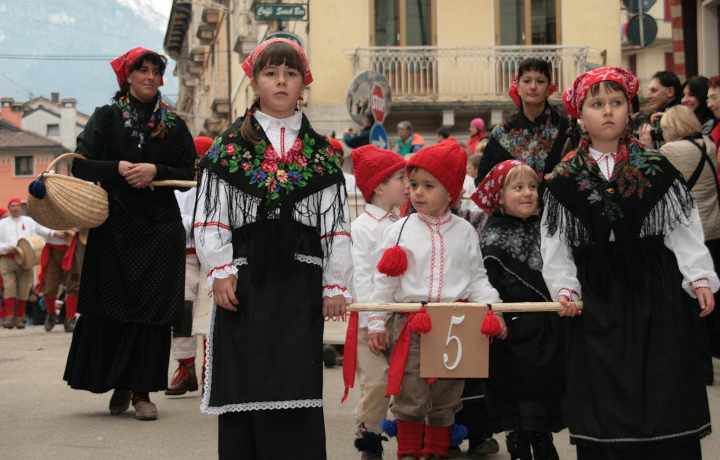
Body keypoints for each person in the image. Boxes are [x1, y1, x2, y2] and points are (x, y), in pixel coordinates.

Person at [542, 66, 717, 459]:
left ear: (629, 110)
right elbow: (555, 245)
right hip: (598, 298)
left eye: (617, 103)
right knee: (603, 398)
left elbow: (683, 230)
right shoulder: (563, 178)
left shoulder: (657, 168)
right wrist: (565, 288)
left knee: (663, 389)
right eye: (597, 103)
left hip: (656, 293)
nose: (608, 111)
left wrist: (700, 277)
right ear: (580, 114)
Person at [194, 36, 352, 460]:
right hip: (246, 282)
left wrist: (335, 282)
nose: (281, 81)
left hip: (300, 283)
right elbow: (212, 218)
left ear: (304, 83)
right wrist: (220, 270)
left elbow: (335, 226)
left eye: (290, 73)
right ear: (255, 81)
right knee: (246, 378)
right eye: (271, 73)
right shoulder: (229, 150)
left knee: (296, 382)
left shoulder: (321, 155)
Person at [63, 47, 196, 421]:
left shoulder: (173, 124)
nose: (151, 77)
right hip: (115, 227)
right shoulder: (106, 117)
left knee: (152, 313)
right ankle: (118, 383)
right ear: (128, 77)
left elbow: (189, 173)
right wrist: (117, 167)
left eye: (156, 71)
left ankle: (142, 391)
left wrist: (156, 169)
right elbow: (81, 166)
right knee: (114, 308)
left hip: (159, 229)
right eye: (143, 71)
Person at [371, 141, 501, 460]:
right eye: (413, 185)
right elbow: (384, 280)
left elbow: (476, 279)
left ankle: (437, 452)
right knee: (410, 393)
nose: (417, 193)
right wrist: (376, 321)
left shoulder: (466, 231)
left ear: (451, 191)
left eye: (429, 186)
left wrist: (492, 311)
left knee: (446, 396)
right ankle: (408, 453)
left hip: (454, 325)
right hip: (410, 322)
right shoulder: (398, 230)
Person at [472, 160, 564, 460]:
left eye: (533, 187)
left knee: (545, 387)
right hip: (512, 330)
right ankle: (519, 440)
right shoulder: (491, 236)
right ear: (499, 195)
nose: (528, 193)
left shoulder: (548, 229)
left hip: (547, 327)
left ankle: (542, 438)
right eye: (518, 188)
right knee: (517, 389)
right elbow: (484, 282)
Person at [343, 144, 407, 460]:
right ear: (380, 186)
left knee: (407, 383)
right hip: (371, 320)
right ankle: (368, 437)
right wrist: (373, 321)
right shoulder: (363, 228)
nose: (407, 184)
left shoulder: (403, 224)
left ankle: (414, 438)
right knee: (377, 382)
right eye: (399, 177)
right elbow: (365, 277)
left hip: (401, 316)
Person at [659, 104, 720, 375]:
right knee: (710, 297)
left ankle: (698, 362)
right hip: (714, 227)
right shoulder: (708, 145)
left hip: (688, 232)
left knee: (690, 302)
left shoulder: (671, 151)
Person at [165, 135, 214, 396]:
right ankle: (185, 368)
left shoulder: (218, 186)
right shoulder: (177, 186)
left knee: (210, 311)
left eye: (201, 159)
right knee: (182, 310)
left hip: (213, 258)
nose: (197, 164)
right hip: (184, 254)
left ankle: (210, 369)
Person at [477, 58, 569, 182]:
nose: (533, 87)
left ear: (548, 89)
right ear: (518, 88)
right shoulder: (502, 133)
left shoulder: (566, 128)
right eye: (526, 81)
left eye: (540, 81)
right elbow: (484, 180)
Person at [0, 198, 57, 329]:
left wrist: (56, 233)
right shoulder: (2, 224)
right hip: (8, 258)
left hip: (27, 260)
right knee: (9, 287)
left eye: (17, 205)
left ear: (21, 207)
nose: (15, 208)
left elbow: (43, 231)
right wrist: (7, 247)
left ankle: (19, 318)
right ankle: (9, 317)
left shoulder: (29, 222)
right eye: (12, 205)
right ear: (9, 208)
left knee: (24, 289)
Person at [38, 226, 80, 333]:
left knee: (74, 285)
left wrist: (74, 231)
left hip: (73, 251)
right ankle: (51, 314)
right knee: (49, 287)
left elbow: (85, 224)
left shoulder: (76, 211)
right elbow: (36, 226)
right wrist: (53, 232)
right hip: (53, 252)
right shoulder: (46, 211)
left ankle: (70, 318)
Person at [640, 70, 683, 149]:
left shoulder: (678, 119)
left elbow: (669, 156)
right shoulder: (659, 115)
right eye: (649, 91)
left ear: (670, 91)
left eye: (654, 90)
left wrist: (649, 148)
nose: (648, 96)